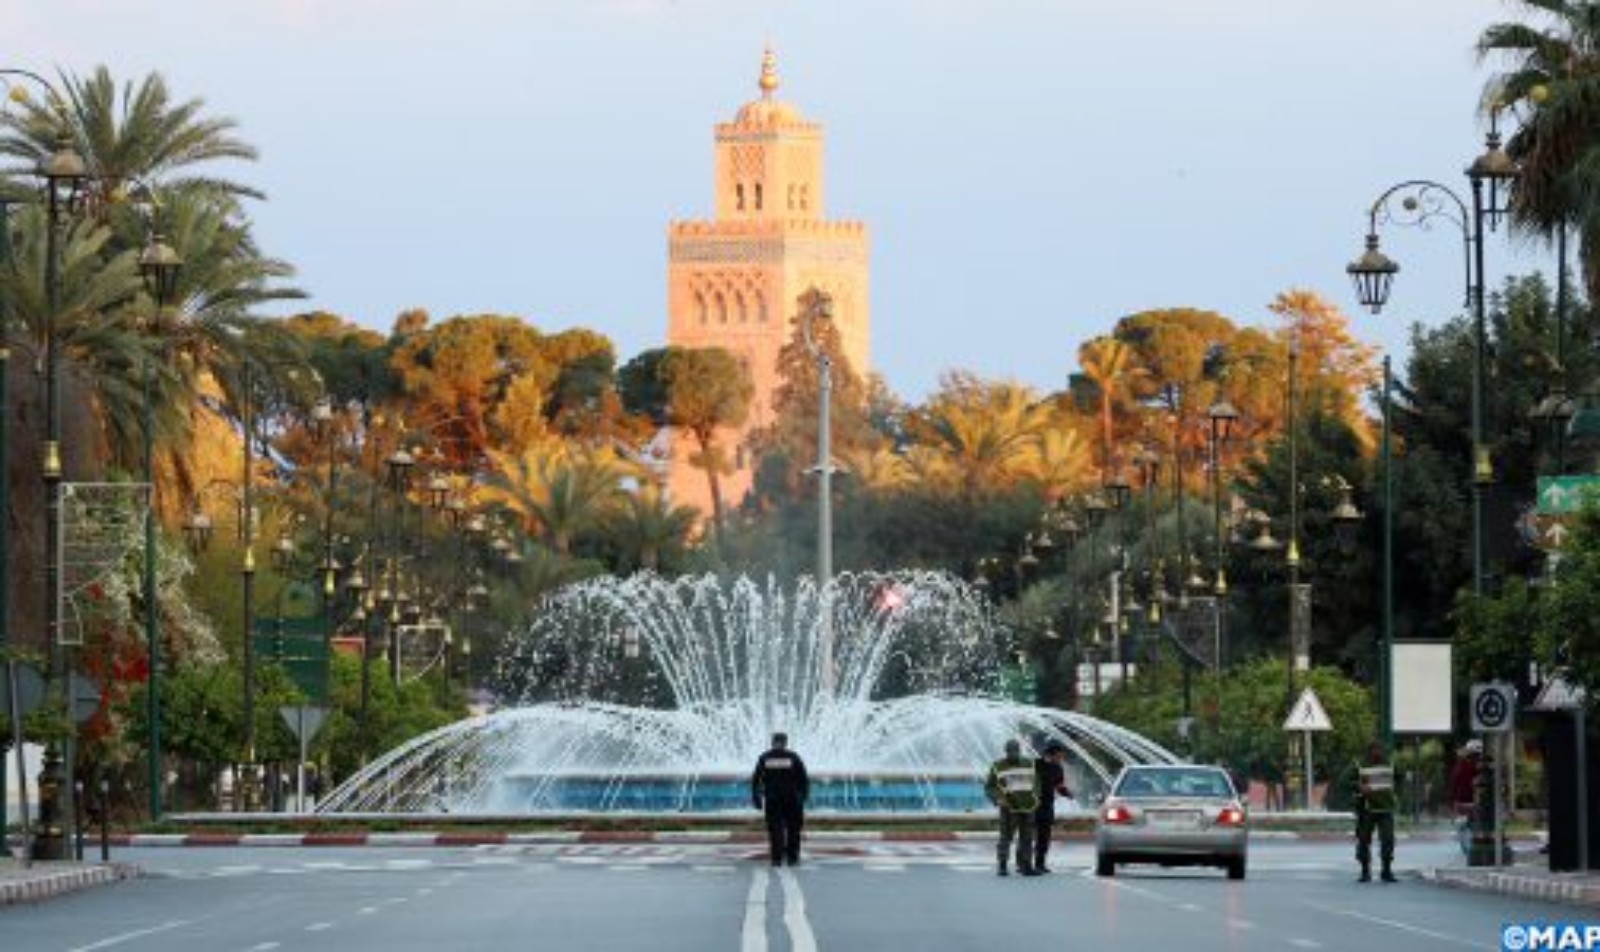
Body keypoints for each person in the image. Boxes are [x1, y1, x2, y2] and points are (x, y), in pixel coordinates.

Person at [751, 732, 809, 867]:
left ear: (773, 742)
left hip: (773, 799)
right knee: (794, 829)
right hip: (792, 799)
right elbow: (803, 779)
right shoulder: (793, 757)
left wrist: (757, 797)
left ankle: (776, 858)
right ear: (785, 742)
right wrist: (803, 796)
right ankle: (792, 858)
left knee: (775, 829)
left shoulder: (765, 758)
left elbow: (756, 780)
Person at [985, 739, 1040, 877]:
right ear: (1006, 751)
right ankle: (1002, 865)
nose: (1013, 754)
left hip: (1028, 806)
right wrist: (998, 799)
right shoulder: (998, 766)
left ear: (1019, 750)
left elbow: (1037, 783)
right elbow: (989, 786)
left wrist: (1036, 798)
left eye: (1015, 750)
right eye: (1010, 751)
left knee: (1027, 837)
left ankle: (1026, 865)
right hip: (1009, 807)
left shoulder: (1029, 763)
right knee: (1006, 837)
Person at [1353, 740, 1398, 883]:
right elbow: (1344, 782)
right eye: (1374, 750)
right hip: (1367, 809)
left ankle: (1386, 870)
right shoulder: (1359, 764)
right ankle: (1365, 870)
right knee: (1364, 839)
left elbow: (1400, 778)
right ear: (1369, 751)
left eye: (1379, 750)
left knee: (1388, 839)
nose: (1377, 753)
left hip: (1386, 808)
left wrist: (1396, 795)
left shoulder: (1390, 763)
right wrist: (1359, 786)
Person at [1032, 740, 1072, 874]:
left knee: (1044, 836)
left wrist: (1067, 793)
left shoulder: (1058, 768)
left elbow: (1059, 786)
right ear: (1053, 753)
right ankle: (1024, 863)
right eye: (1060, 754)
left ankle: (1040, 863)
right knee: (1028, 835)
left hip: (1047, 805)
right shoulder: (1035, 764)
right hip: (1032, 805)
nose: (1062, 757)